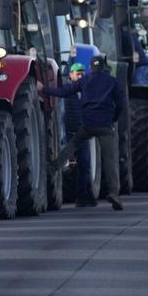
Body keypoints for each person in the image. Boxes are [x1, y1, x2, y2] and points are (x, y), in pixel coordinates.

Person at [38, 55, 126, 211]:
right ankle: (114, 193)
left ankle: (52, 167)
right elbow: (121, 105)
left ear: (91, 67)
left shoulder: (85, 81)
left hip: (87, 124)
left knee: (72, 145)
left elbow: (64, 92)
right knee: (110, 159)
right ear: (104, 67)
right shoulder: (112, 81)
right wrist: (113, 119)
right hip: (105, 126)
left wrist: (43, 89)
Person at [62, 62, 97, 207]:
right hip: (70, 133)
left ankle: (83, 196)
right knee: (70, 165)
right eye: (78, 74)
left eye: (83, 74)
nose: (81, 76)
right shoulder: (66, 91)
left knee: (85, 164)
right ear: (71, 75)